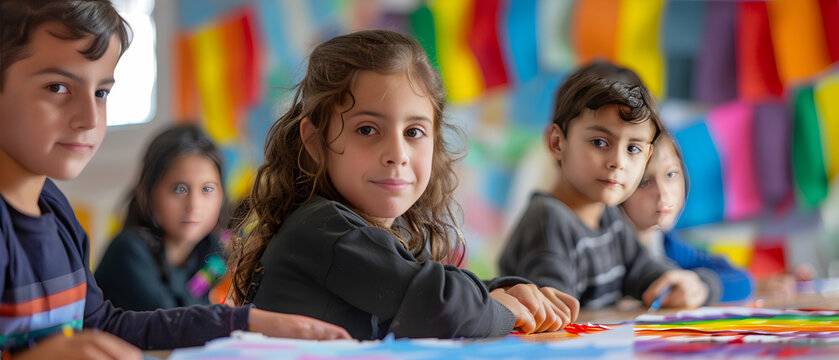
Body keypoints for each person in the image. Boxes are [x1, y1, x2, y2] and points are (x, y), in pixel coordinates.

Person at [0, 0, 349, 357]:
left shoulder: (55, 211)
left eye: (101, 92)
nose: (89, 118)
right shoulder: (126, 250)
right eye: (57, 87)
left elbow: (103, 325)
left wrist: (247, 323)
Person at [226, 29, 579, 340]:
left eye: (414, 132)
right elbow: (439, 304)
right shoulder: (325, 232)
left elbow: (423, 283)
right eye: (367, 130)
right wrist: (504, 310)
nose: (397, 154)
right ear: (316, 142)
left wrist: (508, 292)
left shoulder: (364, 234)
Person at [498, 62, 708, 310]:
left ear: (647, 156)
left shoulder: (609, 218)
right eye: (599, 142)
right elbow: (553, 317)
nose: (618, 162)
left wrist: (685, 287)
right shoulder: (549, 223)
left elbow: (646, 273)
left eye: (633, 148)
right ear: (557, 143)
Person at [95, 124, 229, 310]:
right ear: (147, 193)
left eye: (207, 189)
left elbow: (198, 303)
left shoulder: (214, 253)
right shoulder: (127, 252)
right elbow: (170, 324)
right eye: (179, 189)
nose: (194, 205)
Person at [621, 134, 754, 303]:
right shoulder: (604, 247)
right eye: (644, 182)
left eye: (670, 175)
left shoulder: (666, 244)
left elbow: (742, 280)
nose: (664, 194)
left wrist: (702, 288)